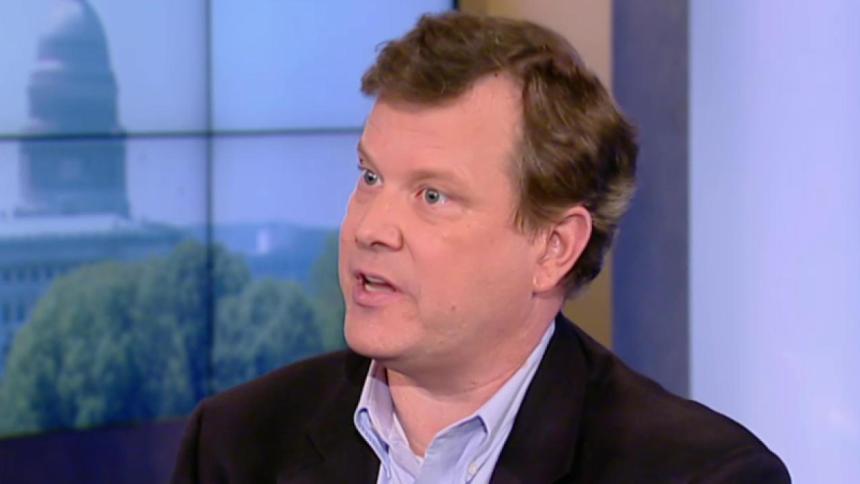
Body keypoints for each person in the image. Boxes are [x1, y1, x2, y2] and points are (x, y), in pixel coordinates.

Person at [171, 12, 789, 483]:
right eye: (370, 177)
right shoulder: (235, 445)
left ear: (553, 248)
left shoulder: (698, 474)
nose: (369, 228)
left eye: (432, 196)